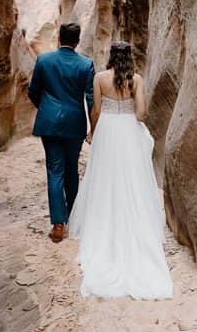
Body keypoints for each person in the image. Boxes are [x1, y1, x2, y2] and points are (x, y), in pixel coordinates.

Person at [68, 40, 173, 300]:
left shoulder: (101, 78)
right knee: (133, 179)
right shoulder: (135, 79)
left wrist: (92, 132)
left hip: (106, 131)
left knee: (104, 179)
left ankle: (105, 221)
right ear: (129, 57)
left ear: (111, 56)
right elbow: (141, 113)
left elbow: (95, 109)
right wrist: (131, 112)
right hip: (127, 131)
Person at [28, 22, 96, 243]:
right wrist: (93, 125)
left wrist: (46, 108)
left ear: (59, 38)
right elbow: (91, 98)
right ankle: (74, 218)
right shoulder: (86, 65)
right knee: (72, 170)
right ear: (77, 41)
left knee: (54, 170)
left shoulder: (44, 61)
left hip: (49, 123)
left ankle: (59, 223)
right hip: (74, 123)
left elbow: (33, 91)